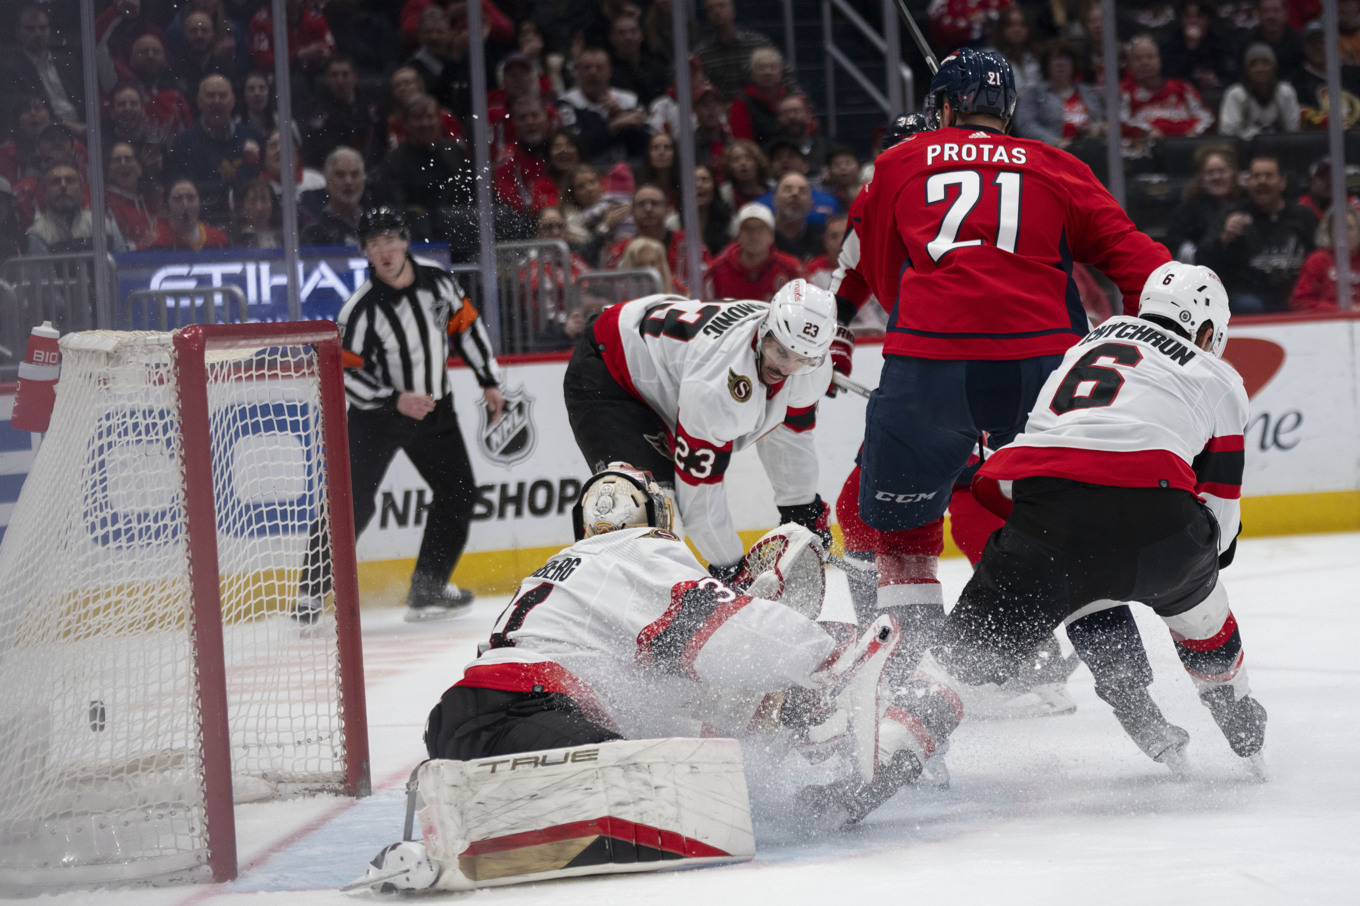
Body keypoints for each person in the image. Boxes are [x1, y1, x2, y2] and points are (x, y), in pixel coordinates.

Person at [852, 49, 1172, 679]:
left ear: (942, 108)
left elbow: (881, 269)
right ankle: (1129, 692)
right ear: (1011, 110)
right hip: (1043, 365)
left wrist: (928, 319)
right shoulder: (1059, 165)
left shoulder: (897, 162)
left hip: (930, 360)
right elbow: (1147, 268)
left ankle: (911, 694)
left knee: (903, 535)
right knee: (1065, 526)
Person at [423, 463, 949, 827]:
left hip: (457, 721)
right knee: (678, 793)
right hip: (526, 713)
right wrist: (829, 660)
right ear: (648, 516)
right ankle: (906, 726)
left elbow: (669, 689)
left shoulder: (568, 574)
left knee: (692, 756)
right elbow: (728, 627)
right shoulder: (638, 551)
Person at [928, 263, 1268, 770]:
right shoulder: (1218, 376)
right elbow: (1221, 522)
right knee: (1201, 604)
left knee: (975, 650)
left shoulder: (1082, 345)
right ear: (1204, 329)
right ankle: (1238, 717)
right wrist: (1192, 571)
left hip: (1049, 514)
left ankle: (898, 736)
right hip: (1156, 524)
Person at [298, 207, 504, 623]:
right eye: (375, 244)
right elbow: (344, 372)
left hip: (434, 411)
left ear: (406, 242)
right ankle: (309, 594)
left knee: (459, 492)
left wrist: (488, 378)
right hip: (378, 417)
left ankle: (428, 587)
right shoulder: (360, 309)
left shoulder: (437, 283)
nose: (386, 251)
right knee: (353, 502)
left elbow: (464, 325)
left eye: (391, 240)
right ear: (366, 254)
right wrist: (395, 399)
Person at [563, 280, 836, 579]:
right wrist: (731, 569)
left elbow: (787, 437)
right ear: (764, 330)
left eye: (802, 360)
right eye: (780, 352)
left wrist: (800, 506)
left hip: (668, 366)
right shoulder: (717, 386)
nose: (785, 368)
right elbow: (700, 501)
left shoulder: (811, 369)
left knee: (659, 515)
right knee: (653, 513)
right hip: (609, 371)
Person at [1195, 155, 1318, 313]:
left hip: (1296, 293)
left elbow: (1323, 255)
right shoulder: (1231, 215)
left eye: (1268, 176)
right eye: (1256, 176)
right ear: (1247, 182)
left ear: (1282, 182)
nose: (1262, 181)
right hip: (1249, 298)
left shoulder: (1303, 216)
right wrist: (1224, 238)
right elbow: (1201, 259)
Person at [1119, 34, 1214, 155]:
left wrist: (1191, 132)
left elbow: (1206, 117)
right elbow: (1122, 124)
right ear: (1130, 64)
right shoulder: (1125, 93)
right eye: (1138, 58)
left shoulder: (1182, 87)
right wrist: (1148, 131)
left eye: (1150, 57)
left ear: (1159, 60)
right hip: (1147, 153)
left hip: (1187, 148)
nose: (1145, 62)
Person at [705, 202, 804, 301]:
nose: (754, 236)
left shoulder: (791, 268)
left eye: (761, 229)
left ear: (771, 235)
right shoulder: (716, 270)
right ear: (738, 235)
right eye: (747, 229)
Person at [26, 161, 128, 255]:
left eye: (70, 181)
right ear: (45, 192)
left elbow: (122, 268)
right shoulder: (37, 234)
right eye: (56, 182)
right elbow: (45, 275)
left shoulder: (104, 224)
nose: (63, 186)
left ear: (81, 190)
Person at [1165, 143, 1242, 262]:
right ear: (1201, 177)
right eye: (1210, 172)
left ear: (1233, 174)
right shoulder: (1187, 209)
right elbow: (1180, 251)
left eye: (1222, 171)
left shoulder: (1246, 202)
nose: (1216, 177)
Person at [1217, 43, 1300, 140]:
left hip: (1280, 149)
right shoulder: (1236, 94)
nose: (1260, 69)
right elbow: (1227, 133)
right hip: (1245, 150)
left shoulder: (1285, 92)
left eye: (1265, 63)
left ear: (1274, 67)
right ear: (1247, 70)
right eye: (1254, 64)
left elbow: (1293, 130)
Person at [1290, 206, 1360, 312]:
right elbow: (1300, 302)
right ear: (1330, 234)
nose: (1343, 234)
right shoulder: (1318, 260)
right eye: (1337, 229)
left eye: (1349, 228)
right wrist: (1340, 310)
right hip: (1326, 324)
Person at [301, 146, 369, 246]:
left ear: (363, 181)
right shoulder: (313, 233)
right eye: (340, 175)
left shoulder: (375, 224)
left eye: (355, 174)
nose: (348, 182)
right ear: (327, 181)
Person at [146, 177, 228, 250]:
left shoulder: (217, 239)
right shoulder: (156, 241)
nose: (185, 204)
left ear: (199, 203)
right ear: (167, 205)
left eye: (191, 198)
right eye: (177, 199)